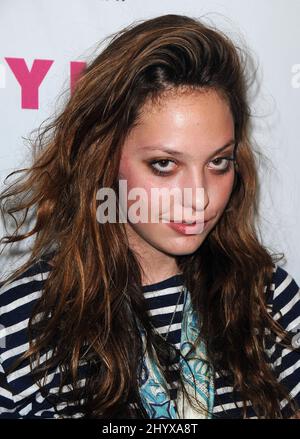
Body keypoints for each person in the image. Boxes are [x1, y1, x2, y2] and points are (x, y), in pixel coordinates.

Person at [0, 13, 300, 419]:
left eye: (219, 162)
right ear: (103, 158)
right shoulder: (19, 328)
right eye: (164, 164)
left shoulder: (267, 298)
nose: (199, 198)